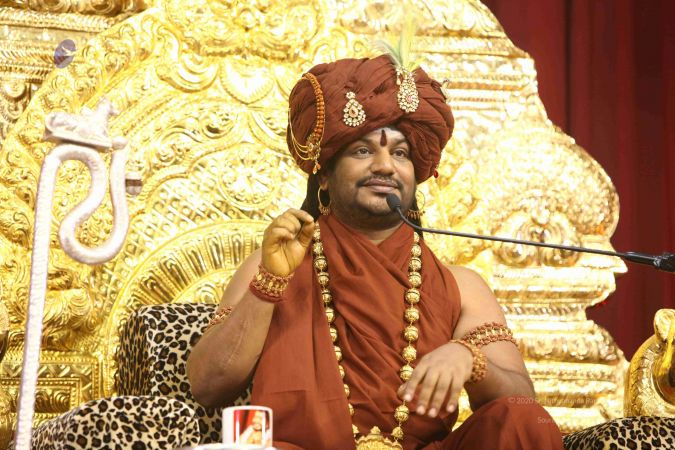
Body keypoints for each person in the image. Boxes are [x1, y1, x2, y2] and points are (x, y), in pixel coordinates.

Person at [187, 54, 563, 450]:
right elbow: (208, 386)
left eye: (400, 153)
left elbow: (523, 401)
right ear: (324, 176)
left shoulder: (460, 286)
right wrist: (269, 285)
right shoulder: (274, 267)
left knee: (523, 421)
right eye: (362, 151)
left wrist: (470, 358)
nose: (385, 166)